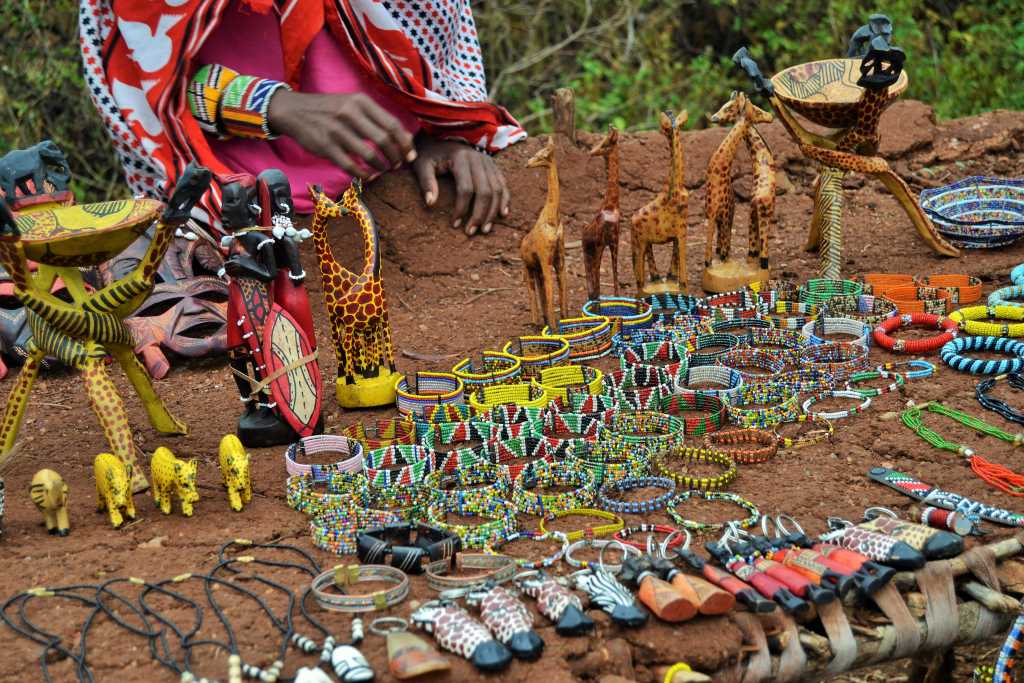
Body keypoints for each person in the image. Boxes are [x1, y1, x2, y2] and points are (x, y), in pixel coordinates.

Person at [79, 0, 526, 236]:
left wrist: (444, 126)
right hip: (235, 208)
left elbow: (432, 28)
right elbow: (142, 88)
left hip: (397, 176)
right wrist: (271, 105)